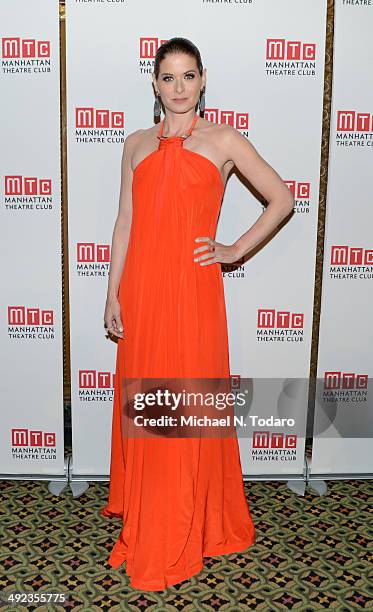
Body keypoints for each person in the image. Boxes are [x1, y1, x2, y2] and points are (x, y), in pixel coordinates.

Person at [101, 37, 294, 592]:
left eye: (189, 77)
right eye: (168, 77)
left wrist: (234, 250)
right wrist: (113, 293)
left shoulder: (224, 139)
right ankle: (151, 515)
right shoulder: (135, 144)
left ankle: (191, 522)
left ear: (203, 79)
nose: (179, 88)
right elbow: (124, 224)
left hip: (191, 292)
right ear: (155, 83)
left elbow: (281, 198)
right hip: (142, 290)